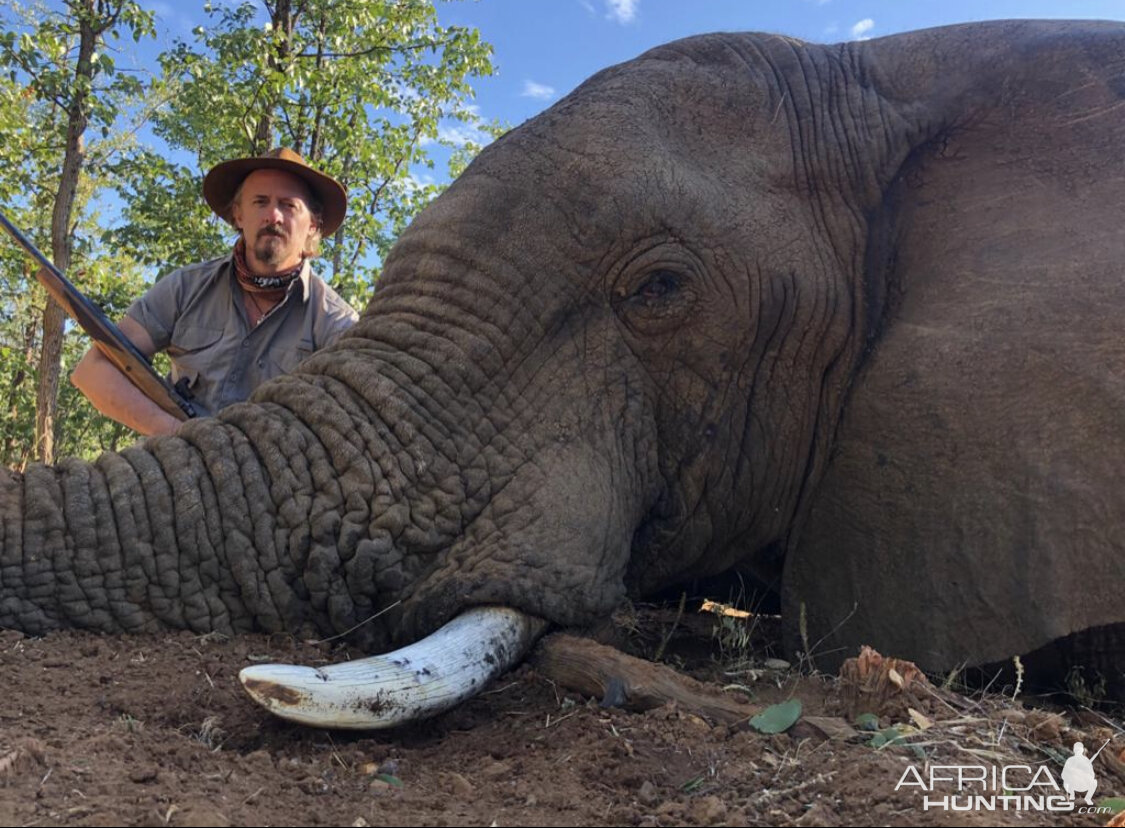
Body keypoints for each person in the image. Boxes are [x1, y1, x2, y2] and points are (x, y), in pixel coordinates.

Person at [72, 148, 359, 436]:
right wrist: (176, 434)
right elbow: (94, 370)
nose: (273, 215)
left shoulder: (338, 324)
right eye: (260, 202)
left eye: (288, 205)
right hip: (169, 464)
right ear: (238, 215)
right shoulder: (185, 288)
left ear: (312, 225)